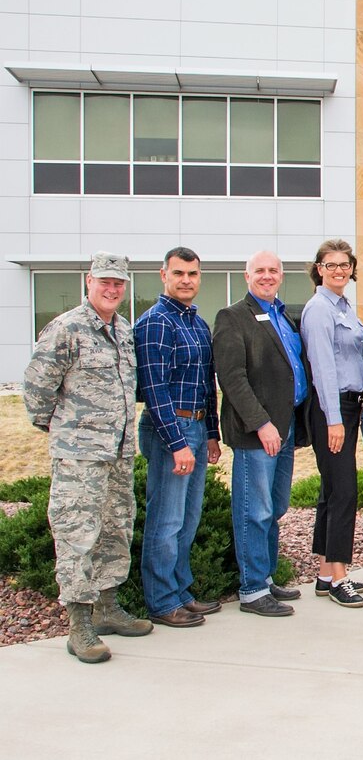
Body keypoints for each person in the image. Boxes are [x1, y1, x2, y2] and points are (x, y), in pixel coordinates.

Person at [24, 252, 152, 663]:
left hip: (118, 452)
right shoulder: (66, 329)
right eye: (105, 282)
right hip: (79, 456)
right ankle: (78, 624)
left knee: (116, 526)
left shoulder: (125, 331)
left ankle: (107, 607)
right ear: (88, 281)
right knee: (78, 533)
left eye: (118, 283)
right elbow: (37, 391)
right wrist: (63, 431)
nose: (111, 289)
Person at [213, 250, 310, 617]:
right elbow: (232, 378)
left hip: (285, 428)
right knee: (255, 509)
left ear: (281, 275)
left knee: (276, 506)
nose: (267, 276)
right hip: (259, 432)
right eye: (260, 271)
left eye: (273, 270)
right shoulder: (232, 317)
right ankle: (252, 590)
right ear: (247, 276)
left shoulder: (284, 315)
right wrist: (261, 423)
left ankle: (266, 578)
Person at [135, 247, 223, 628]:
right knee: (166, 519)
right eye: (179, 273)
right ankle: (161, 600)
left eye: (193, 273)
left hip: (196, 427)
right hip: (168, 429)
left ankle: (181, 591)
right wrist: (177, 443)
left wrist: (211, 434)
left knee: (188, 518)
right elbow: (155, 390)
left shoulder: (198, 324)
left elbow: (207, 385)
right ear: (164, 275)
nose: (186, 280)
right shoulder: (156, 322)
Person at [299, 240, 363, 608]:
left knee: (331, 491)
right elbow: (324, 368)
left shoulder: (344, 306)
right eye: (331, 265)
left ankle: (326, 574)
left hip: (349, 408)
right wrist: (334, 419)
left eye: (345, 264)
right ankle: (341, 577)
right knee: (344, 491)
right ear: (319, 268)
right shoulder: (318, 310)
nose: (339, 270)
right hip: (332, 409)